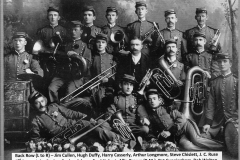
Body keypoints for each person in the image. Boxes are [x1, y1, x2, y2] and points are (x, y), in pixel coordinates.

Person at [29, 91, 137, 148]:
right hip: (64, 137)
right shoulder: (35, 120)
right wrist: (53, 141)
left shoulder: (54, 106)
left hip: (76, 125)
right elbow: (36, 139)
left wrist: (84, 116)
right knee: (94, 139)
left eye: (42, 101)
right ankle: (124, 142)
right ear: (34, 106)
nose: (41, 104)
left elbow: (70, 113)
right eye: (37, 103)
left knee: (98, 129)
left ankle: (125, 142)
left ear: (45, 100)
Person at [143, 88, 223, 151]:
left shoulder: (167, 108)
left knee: (196, 140)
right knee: (188, 147)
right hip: (178, 136)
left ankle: (222, 147)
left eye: (154, 98)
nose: (152, 101)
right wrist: (158, 135)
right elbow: (151, 131)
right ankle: (210, 153)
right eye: (150, 99)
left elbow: (182, 118)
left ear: (159, 100)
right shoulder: (150, 116)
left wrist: (170, 131)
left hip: (185, 125)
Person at [48, 21, 92, 105]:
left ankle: (64, 110)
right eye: (72, 30)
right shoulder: (65, 44)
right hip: (63, 74)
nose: (73, 32)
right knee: (51, 88)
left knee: (68, 92)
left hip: (77, 76)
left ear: (81, 31)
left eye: (76, 30)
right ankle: (54, 106)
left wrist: (76, 55)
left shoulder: (85, 45)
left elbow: (88, 64)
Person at [200, 53, 238, 139]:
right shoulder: (214, 82)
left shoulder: (237, 81)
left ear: (230, 64)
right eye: (219, 62)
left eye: (225, 61)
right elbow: (210, 105)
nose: (222, 64)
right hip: (216, 123)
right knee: (202, 138)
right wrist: (208, 123)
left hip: (234, 122)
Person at [107, 74, 149, 139]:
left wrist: (142, 119)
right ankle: (132, 138)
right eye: (126, 84)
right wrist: (115, 122)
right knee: (105, 125)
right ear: (120, 85)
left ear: (133, 87)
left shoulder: (136, 99)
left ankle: (124, 137)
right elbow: (110, 113)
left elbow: (142, 114)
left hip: (133, 127)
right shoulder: (116, 99)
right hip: (119, 127)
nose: (129, 87)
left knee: (145, 129)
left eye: (131, 85)